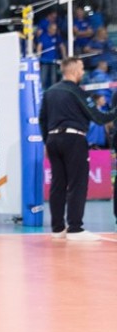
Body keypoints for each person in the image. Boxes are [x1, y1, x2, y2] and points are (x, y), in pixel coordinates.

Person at [39, 57, 117, 241]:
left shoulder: (49, 92)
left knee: (58, 184)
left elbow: (42, 120)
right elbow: (99, 118)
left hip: (53, 139)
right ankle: (75, 228)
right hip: (73, 140)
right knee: (77, 183)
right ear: (74, 71)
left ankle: (58, 229)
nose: (83, 72)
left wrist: (46, 142)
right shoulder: (77, 92)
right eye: (81, 68)